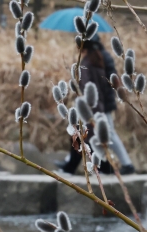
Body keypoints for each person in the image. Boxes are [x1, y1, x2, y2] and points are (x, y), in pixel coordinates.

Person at [55, 35, 135, 175]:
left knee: (104, 134)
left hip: (98, 105)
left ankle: (119, 166)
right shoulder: (99, 56)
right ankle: (71, 164)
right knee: (87, 133)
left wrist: (96, 107)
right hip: (99, 103)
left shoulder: (92, 61)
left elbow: (95, 86)